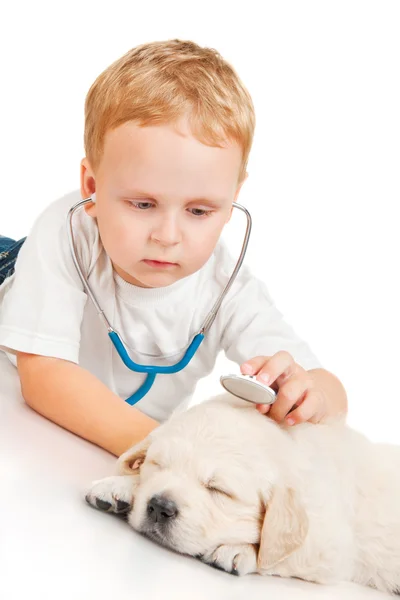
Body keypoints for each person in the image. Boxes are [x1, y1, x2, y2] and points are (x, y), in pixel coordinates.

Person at [0, 39, 347, 457]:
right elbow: (45, 378)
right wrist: (169, 450)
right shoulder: (66, 231)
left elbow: (328, 389)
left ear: (232, 197)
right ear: (92, 188)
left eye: (199, 211)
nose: (167, 235)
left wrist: (314, 397)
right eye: (143, 204)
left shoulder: (225, 288)